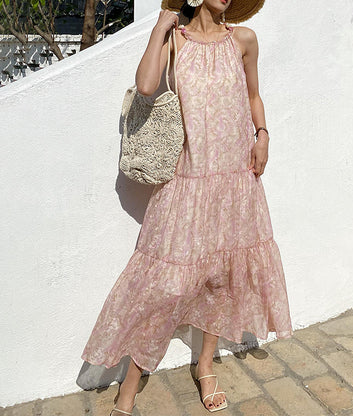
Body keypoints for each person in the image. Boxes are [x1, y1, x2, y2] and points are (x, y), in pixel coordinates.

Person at [81, 0, 294, 414]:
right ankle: (130, 384)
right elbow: (145, 86)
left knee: (222, 277)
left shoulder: (244, 41)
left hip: (236, 176)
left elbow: (253, 95)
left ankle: (205, 364)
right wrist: (160, 25)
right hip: (189, 178)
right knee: (167, 286)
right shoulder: (176, 41)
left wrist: (263, 135)